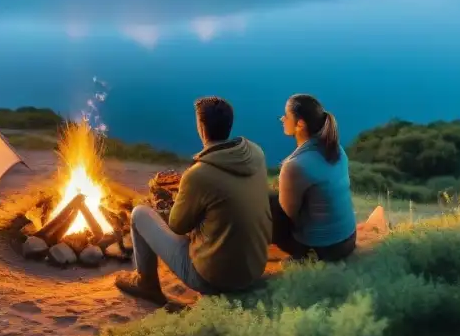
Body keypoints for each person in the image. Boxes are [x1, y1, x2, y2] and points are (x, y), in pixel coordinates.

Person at [115, 96, 272, 306]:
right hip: (253, 269)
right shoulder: (256, 155)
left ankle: (146, 284)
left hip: (213, 279)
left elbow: (178, 226)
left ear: (201, 127)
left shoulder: (199, 175)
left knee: (139, 214)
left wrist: (170, 199)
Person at [271, 94, 357, 262]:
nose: (282, 119)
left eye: (286, 116)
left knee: (264, 206)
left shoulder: (295, 165)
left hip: (322, 250)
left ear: (300, 124)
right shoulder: (336, 149)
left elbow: (289, 214)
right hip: (348, 239)